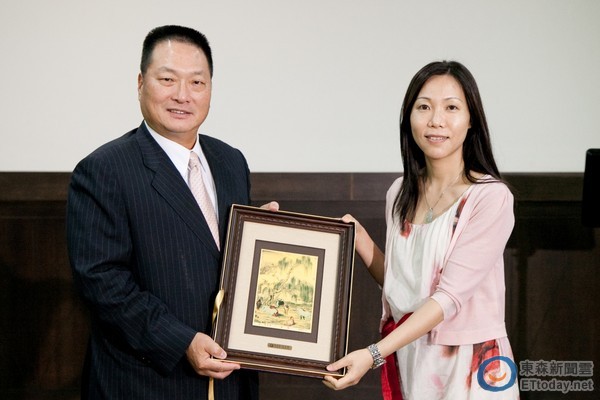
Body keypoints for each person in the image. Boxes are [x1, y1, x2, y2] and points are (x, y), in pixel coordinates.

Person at [67, 25, 277, 399]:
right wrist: (181, 342)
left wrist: (266, 239)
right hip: (146, 382)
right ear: (140, 83)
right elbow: (102, 281)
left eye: (197, 82)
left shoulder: (230, 161)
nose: (182, 95)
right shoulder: (104, 169)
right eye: (167, 79)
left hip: (230, 380)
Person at [323, 61, 519, 399]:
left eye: (451, 108)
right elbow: (405, 286)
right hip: (413, 357)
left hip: (471, 368)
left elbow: (447, 298)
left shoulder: (490, 198)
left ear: (471, 119)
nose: (436, 120)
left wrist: (372, 355)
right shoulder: (399, 192)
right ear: (408, 117)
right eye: (424, 107)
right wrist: (359, 239)